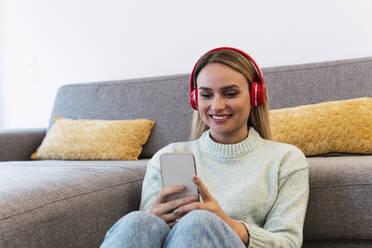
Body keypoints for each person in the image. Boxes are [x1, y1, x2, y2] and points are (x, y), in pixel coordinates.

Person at [99, 47, 309, 248]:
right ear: (195, 99)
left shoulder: (286, 159)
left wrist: (230, 226)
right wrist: (154, 217)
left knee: (199, 222)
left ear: (255, 96)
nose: (216, 106)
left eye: (230, 93)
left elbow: (287, 243)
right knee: (139, 222)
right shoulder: (168, 156)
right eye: (206, 95)